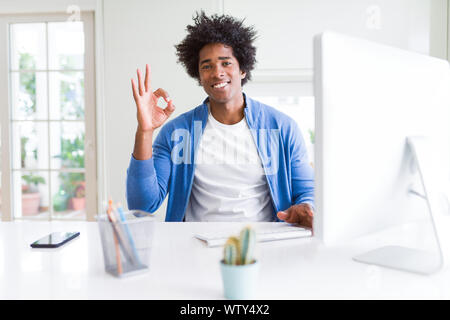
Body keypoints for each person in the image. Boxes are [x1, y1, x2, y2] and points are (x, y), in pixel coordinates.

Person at [126, 11, 314, 228]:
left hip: (263, 247)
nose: (217, 72)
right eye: (206, 66)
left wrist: (306, 206)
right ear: (198, 75)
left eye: (226, 63)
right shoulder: (177, 132)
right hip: (194, 248)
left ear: (242, 69)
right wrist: (145, 132)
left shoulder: (282, 128)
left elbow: (306, 192)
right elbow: (142, 206)